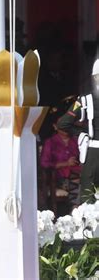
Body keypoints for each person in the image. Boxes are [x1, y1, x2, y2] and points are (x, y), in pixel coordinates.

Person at [57, 60, 99, 202]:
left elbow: (63, 124)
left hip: (93, 155)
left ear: (95, 77)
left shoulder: (85, 100)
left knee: (88, 203)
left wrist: (82, 132)